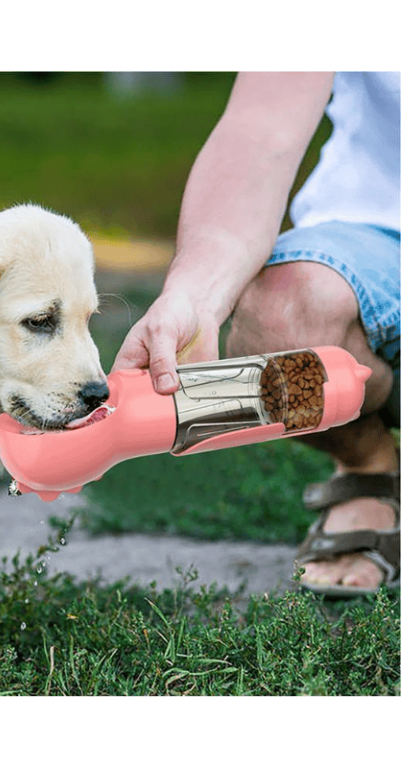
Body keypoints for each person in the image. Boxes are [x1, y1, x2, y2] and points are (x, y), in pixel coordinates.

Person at [112, 71, 399, 596]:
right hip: (377, 229)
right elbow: (259, 131)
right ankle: (369, 466)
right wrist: (195, 298)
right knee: (283, 319)